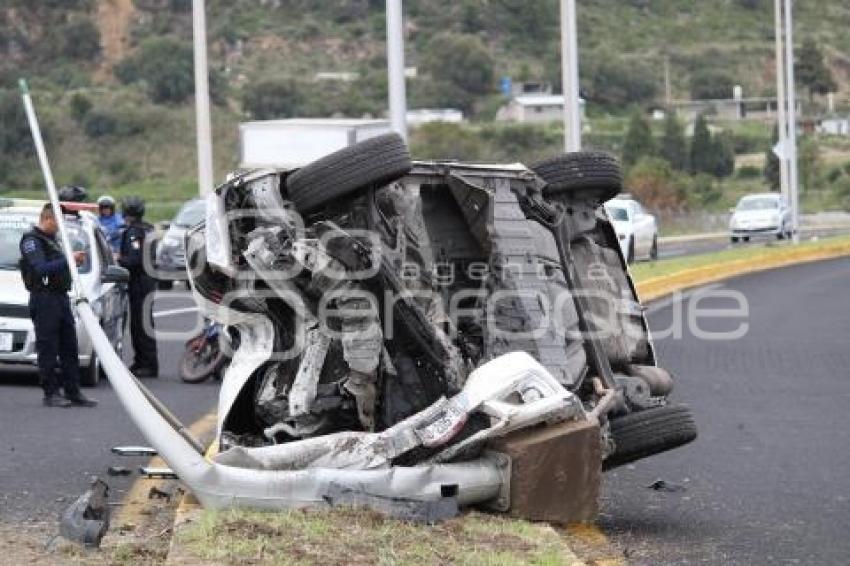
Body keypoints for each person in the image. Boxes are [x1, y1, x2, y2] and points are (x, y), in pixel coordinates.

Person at [19, 203, 97, 407]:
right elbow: (40, 269)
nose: (61, 227)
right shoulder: (32, 241)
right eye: (58, 222)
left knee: (69, 347)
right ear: (48, 219)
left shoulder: (53, 240)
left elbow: (58, 266)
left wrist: (73, 261)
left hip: (61, 298)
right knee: (48, 348)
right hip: (44, 298)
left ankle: (73, 391)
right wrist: (69, 260)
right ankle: (51, 393)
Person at [119, 197, 159, 377]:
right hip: (146, 280)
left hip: (140, 282)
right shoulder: (148, 228)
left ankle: (148, 364)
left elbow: (135, 259)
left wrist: (118, 259)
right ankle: (141, 361)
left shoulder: (136, 232)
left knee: (141, 325)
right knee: (139, 324)